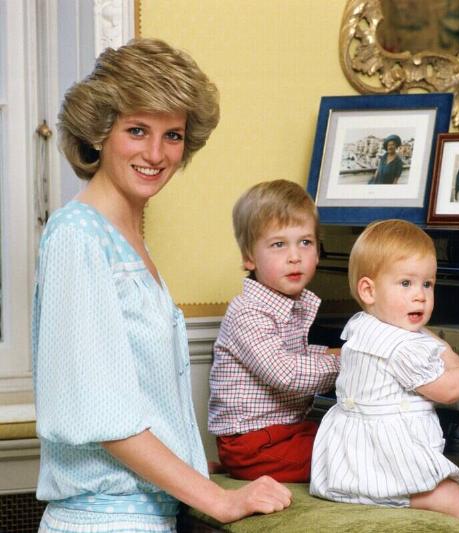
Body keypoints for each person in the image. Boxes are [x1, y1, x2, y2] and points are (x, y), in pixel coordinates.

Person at [33, 38, 291, 533]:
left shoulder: (125, 239)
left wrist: (193, 469)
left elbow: (139, 398)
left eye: (172, 135)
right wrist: (218, 500)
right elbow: (104, 415)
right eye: (137, 130)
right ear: (99, 132)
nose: (155, 154)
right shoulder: (77, 236)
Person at [310, 220, 459, 527]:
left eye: (427, 284)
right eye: (406, 283)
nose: (420, 296)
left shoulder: (364, 325)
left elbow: (434, 344)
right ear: (368, 290)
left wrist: (453, 360)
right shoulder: (402, 348)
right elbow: (448, 391)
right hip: (388, 471)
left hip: (351, 466)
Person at [208, 180, 340, 483]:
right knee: (349, 453)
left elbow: (292, 353)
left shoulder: (287, 304)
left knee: (349, 432)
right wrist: (346, 362)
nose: (295, 256)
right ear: (249, 257)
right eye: (279, 244)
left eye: (305, 242)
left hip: (282, 432)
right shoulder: (248, 312)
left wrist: (330, 353)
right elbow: (287, 373)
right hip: (253, 444)